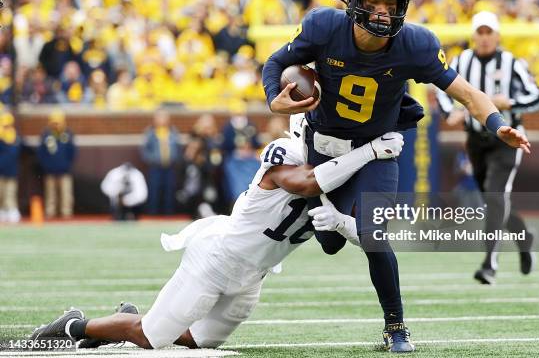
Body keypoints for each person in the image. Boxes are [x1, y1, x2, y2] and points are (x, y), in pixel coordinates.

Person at [262, 0, 530, 352]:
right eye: (374, 3)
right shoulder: (323, 26)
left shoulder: (415, 44)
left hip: (377, 149)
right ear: (354, 1)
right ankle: (338, 222)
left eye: (392, 5)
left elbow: (468, 94)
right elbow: (277, 61)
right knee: (330, 242)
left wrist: (496, 124)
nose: (383, 13)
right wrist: (275, 101)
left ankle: (396, 327)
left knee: (373, 235)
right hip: (326, 146)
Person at [30, 116, 404, 351]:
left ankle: (126, 321)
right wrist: (369, 152)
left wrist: (340, 223)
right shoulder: (286, 152)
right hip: (216, 260)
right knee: (150, 337)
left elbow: (369, 234)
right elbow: (307, 184)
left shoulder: (343, 174)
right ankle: (75, 325)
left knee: (197, 339)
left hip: (253, 277)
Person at [436, 11, 539, 285]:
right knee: (494, 201)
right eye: (479, 32)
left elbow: (537, 96)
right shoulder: (462, 61)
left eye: (489, 32)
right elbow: (442, 90)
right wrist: (451, 112)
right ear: (474, 35)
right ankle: (524, 236)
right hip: (476, 141)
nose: (484, 38)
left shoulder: (512, 63)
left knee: (495, 196)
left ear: (497, 35)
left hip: (507, 140)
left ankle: (489, 264)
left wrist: (509, 103)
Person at [36, 110, 77, 218]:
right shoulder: (46, 135)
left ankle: (66, 212)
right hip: (50, 170)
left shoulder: (67, 134)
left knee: (66, 193)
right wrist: (46, 166)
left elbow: (72, 152)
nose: (56, 125)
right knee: (50, 194)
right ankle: (50, 212)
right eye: (54, 122)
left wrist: (67, 165)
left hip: (64, 170)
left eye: (58, 122)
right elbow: (41, 153)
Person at [140, 110, 181, 215]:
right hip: (155, 167)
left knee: (170, 191)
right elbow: (144, 150)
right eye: (160, 117)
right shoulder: (150, 133)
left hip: (170, 167)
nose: (162, 120)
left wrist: (174, 158)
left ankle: (169, 214)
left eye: (165, 117)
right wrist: (152, 160)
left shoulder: (173, 132)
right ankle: (152, 214)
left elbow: (178, 148)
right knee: (154, 191)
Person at [0, 111, 21, 224]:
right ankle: (3, 212)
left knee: (10, 194)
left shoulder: (15, 137)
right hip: (1, 171)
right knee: (1, 194)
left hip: (11, 170)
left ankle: (13, 212)